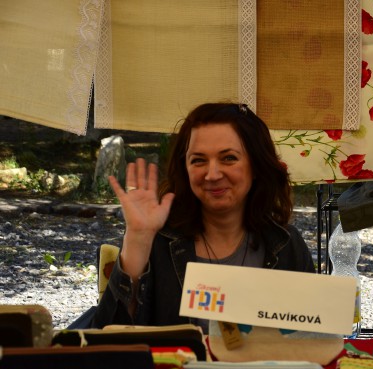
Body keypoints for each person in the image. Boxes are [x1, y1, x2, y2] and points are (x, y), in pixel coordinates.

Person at [86, 102, 315, 330]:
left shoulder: (286, 245)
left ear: (256, 165)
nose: (212, 174)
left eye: (228, 158)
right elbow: (107, 338)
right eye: (198, 160)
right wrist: (138, 238)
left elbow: (312, 338)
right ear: (185, 169)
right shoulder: (158, 242)